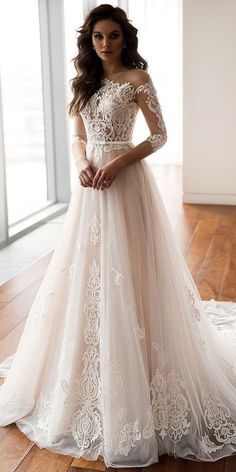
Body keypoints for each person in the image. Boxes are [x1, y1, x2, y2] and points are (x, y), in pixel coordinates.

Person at [0, 3, 236, 469]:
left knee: (129, 269)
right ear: (89, 42)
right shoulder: (82, 83)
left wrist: (116, 163)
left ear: (125, 38)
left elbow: (160, 136)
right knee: (87, 273)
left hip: (125, 184)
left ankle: (140, 358)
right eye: (97, 38)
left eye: (112, 36)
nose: (105, 44)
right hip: (91, 188)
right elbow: (76, 135)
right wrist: (84, 164)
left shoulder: (137, 80)